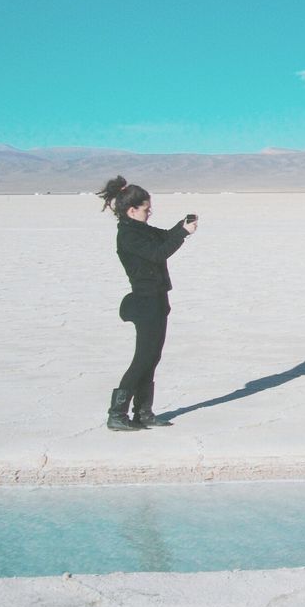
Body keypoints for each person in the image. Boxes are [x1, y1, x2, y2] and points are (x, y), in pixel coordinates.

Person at [95, 176, 197, 431]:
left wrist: (181, 226)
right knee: (142, 359)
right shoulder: (128, 235)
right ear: (132, 210)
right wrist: (182, 235)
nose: (149, 212)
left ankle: (143, 412)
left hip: (157, 300)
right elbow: (158, 253)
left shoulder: (140, 229)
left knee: (152, 358)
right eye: (146, 208)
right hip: (145, 303)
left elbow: (163, 237)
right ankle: (116, 413)